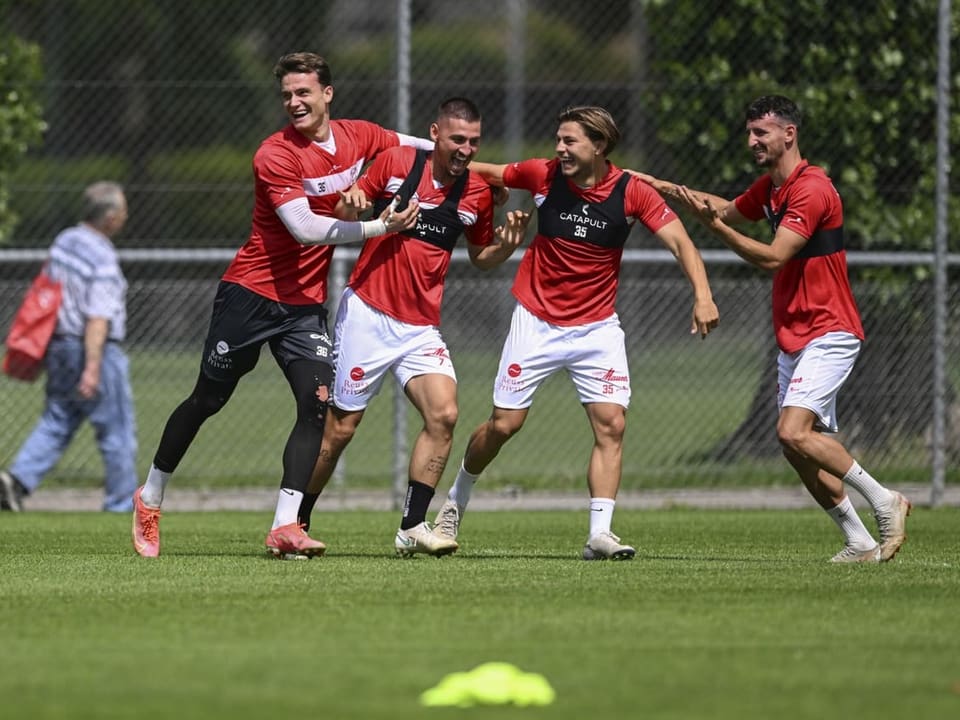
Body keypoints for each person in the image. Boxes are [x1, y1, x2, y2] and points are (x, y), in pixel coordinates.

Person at [130, 51, 428, 558]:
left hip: (304, 306)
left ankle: (285, 525)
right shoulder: (275, 154)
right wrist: (380, 225)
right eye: (287, 95)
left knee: (316, 404)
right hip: (250, 295)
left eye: (304, 92)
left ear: (327, 94)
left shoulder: (361, 136)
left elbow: (425, 149)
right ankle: (150, 494)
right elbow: (305, 229)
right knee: (208, 400)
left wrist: (471, 164)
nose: (294, 102)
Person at [431, 106, 720, 560]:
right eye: (558, 139)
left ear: (599, 146)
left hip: (596, 328)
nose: (559, 149)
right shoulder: (542, 174)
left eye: (570, 141)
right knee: (505, 424)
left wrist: (703, 295)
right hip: (537, 320)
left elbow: (682, 242)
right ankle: (454, 502)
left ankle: (599, 535)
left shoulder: (632, 192)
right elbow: (479, 169)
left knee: (612, 424)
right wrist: (486, 182)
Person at [638, 94, 910, 563]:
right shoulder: (771, 189)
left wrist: (714, 229)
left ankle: (886, 500)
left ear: (789, 133)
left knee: (792, 432)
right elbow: (724, 210)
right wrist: (661, 186)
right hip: (795, 334)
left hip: (830, 328)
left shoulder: (811, 189)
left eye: (760, 132)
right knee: (797, 449)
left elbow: (772, 256)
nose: (751, 141)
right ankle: (860, 541)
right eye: (749, 132)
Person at [296, 97, 531, 558]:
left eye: (474, 142)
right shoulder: (399, 161)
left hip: (420, 327)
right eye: (458, 139)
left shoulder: (477, 194)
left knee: (443, 414)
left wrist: (507, 246)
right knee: (341, 429)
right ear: (436, 133)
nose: (466, 149)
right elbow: (351, 207)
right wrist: (356, 205)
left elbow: (481, 258)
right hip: (368, 313)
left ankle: (411, 527)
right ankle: (294, 521)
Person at [0, 182, 137, 513]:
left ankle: (16, 481)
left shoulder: (65, 241)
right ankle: (120, 504)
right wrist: (92, 367)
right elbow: (98, 318)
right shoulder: (102, 257)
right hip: (95, 350)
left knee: (58, 418)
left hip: (59, 345)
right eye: (121, 211)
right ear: (108, 217)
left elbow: (46, 294)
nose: (124, 216)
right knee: (116, 428)